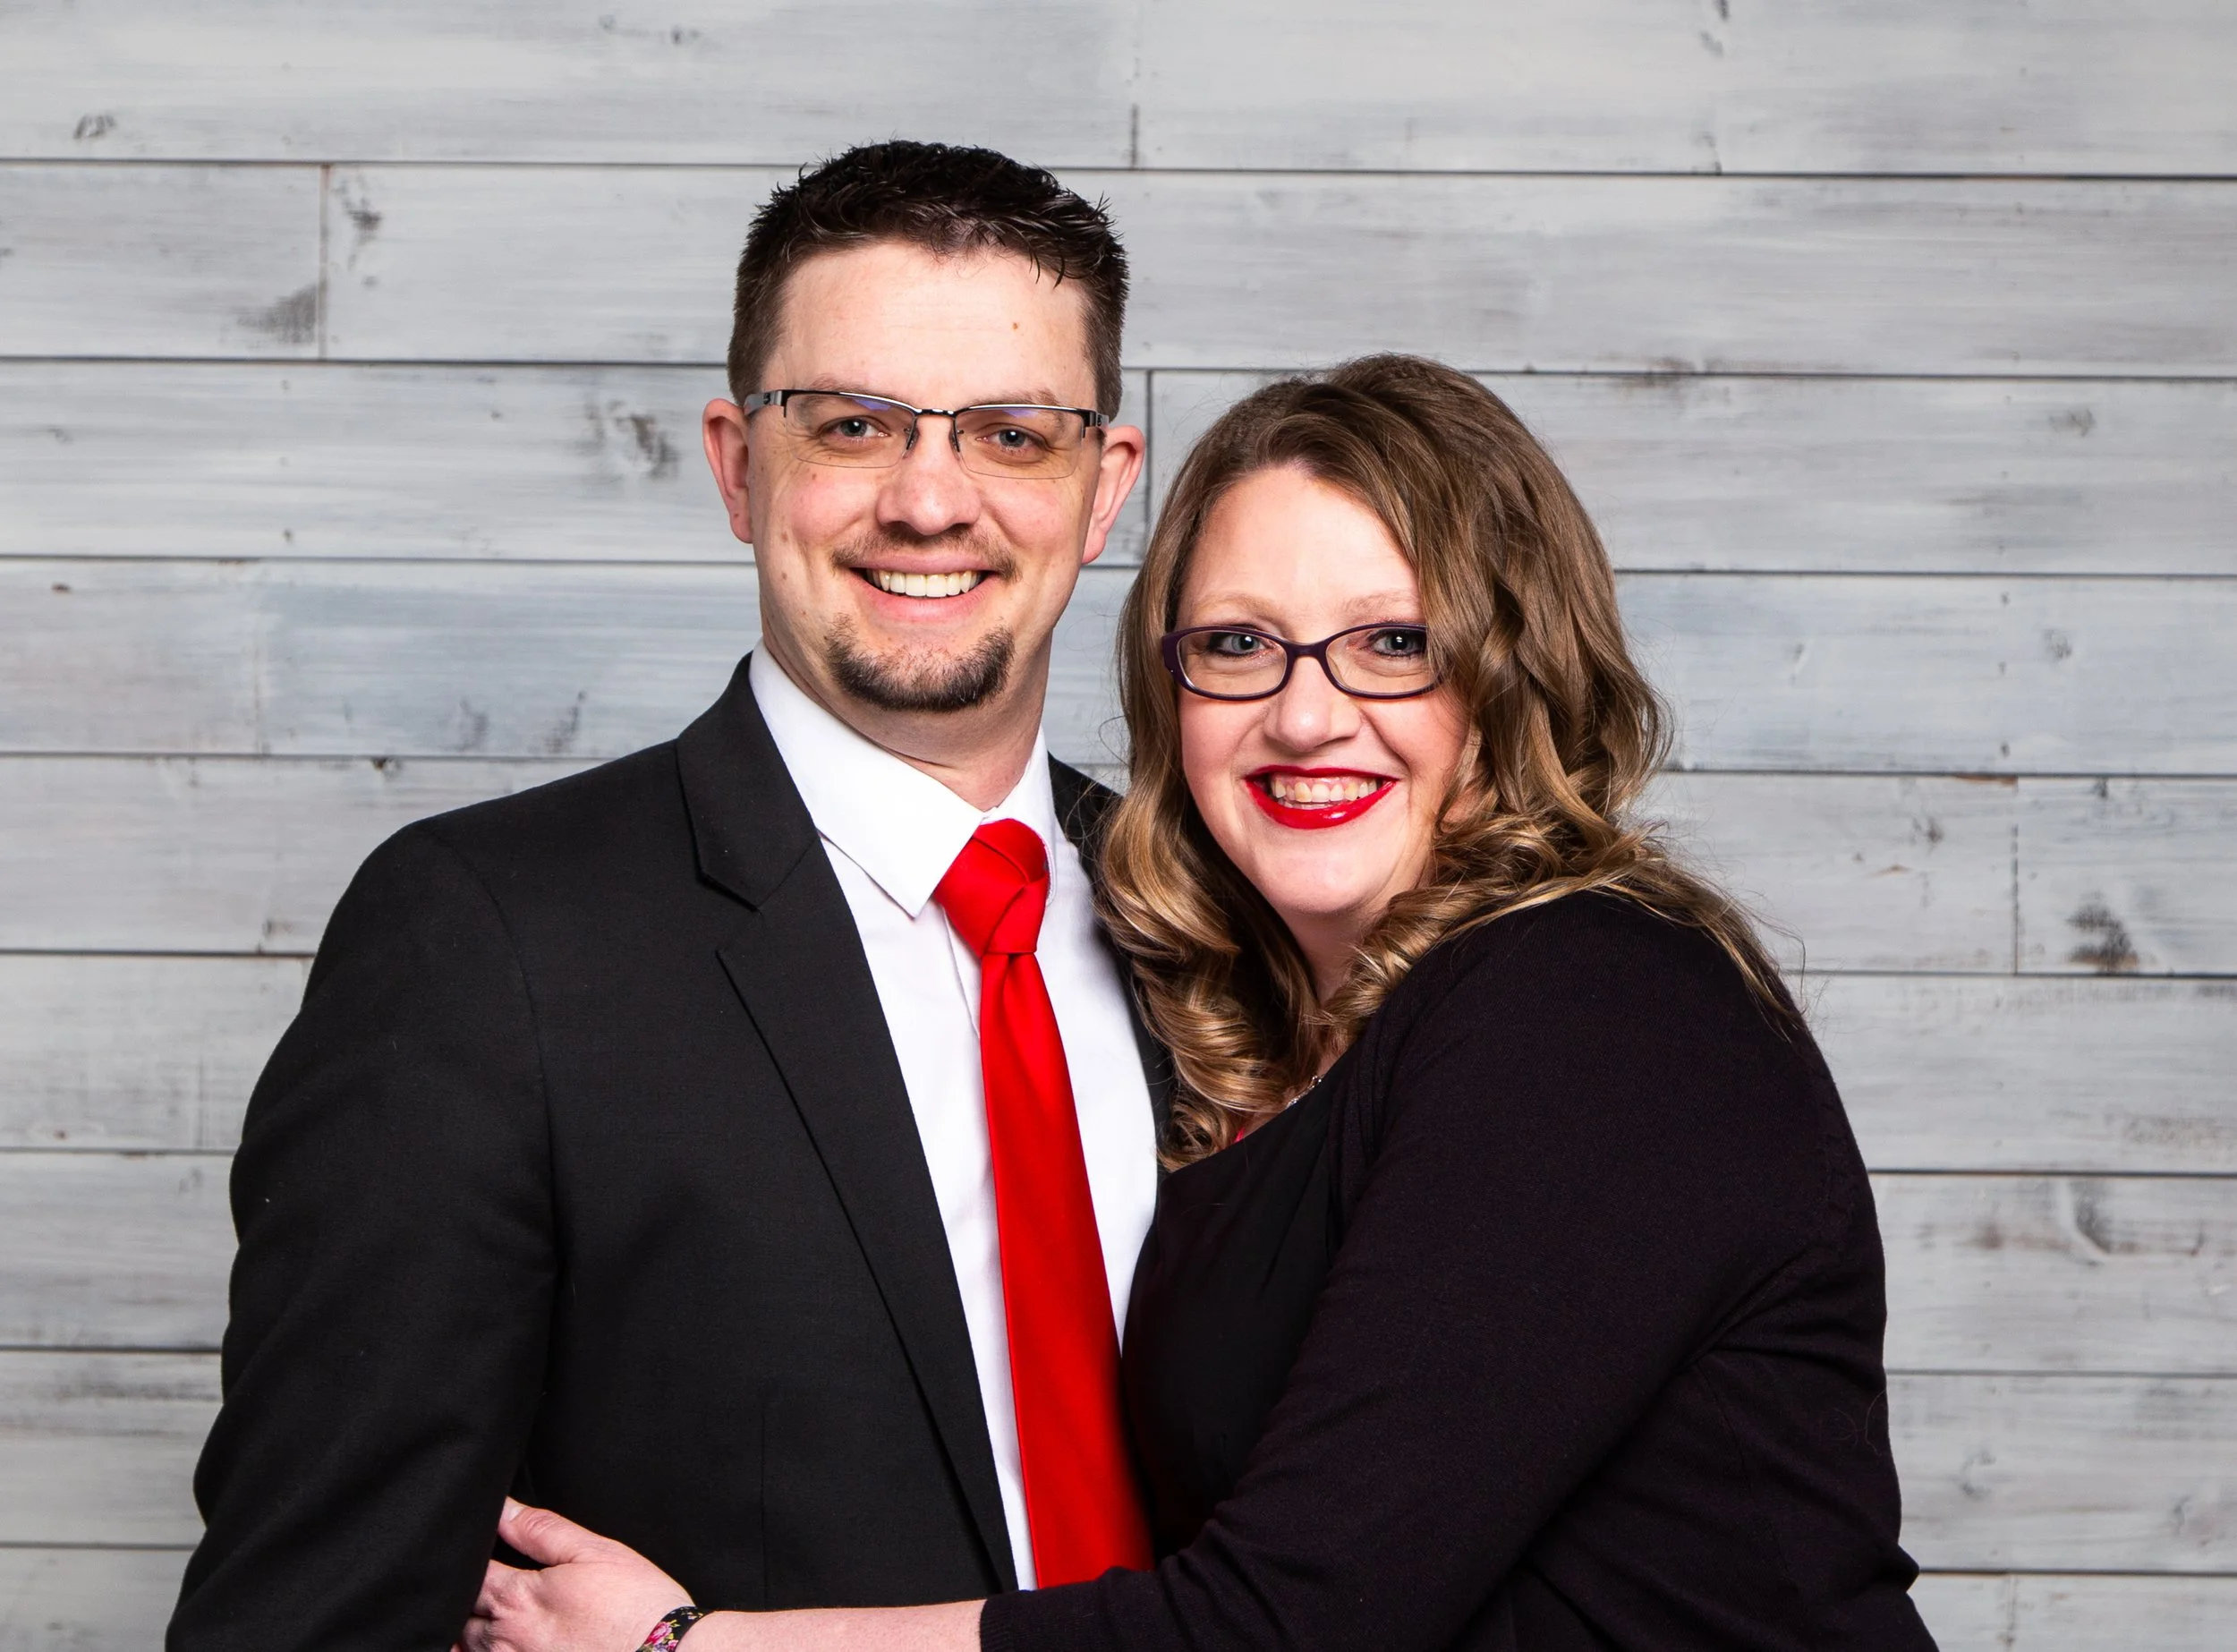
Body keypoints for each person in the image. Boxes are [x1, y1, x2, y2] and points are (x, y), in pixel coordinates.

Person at [466, 356, 1939, 1650]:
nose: (1304, 713)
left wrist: (685, 1648)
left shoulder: (1595, 1007)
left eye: (1393, 642)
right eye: (1236, 645)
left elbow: (1292, 1619)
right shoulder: (1268, 1044)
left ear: (1516, 673)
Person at [171, 141, 1170, 1651]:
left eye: (1014, 433)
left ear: (1102, 490)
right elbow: (310, 1610)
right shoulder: (484, 942)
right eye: (851, 424)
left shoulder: (1212, 916)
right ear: (734, 460)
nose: (929, 498)